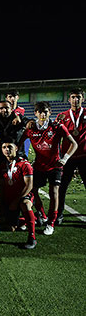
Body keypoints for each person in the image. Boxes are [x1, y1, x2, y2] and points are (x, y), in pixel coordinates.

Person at [21, 101, 78, 235]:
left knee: (54, 193)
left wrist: (64, 159)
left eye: (45, 111)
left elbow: (73, 144)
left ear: (50, 113)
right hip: (39, 166)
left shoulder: (57, 127)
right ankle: (42, 214)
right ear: (35, 113)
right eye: (40, 112)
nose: (43, 114)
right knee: (32, 190)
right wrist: (22, 158)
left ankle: (51, 223)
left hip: (55, 166)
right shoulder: (30, 128)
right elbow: (19, 142)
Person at [0, 138, 36, 249]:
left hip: (23, 195)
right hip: (9, 198)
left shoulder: (24, 164)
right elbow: (2, 185)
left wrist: (16, 200)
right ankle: (29, 219)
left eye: (10, 147)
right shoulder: (2, 165)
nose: (7, 150)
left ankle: (32, 237)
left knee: (24, 204)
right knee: (10, 227)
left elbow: (29, 186)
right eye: (4, 147)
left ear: (16, 148)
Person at [56, 88, 86, 225]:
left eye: (78, 97)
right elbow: (55, 136)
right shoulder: (62, 115)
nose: (76, 99)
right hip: (68, 157)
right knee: (62, 187)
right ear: (69, 100)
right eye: (73, 97)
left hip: (85, 156)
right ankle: (59, 214)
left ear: (83, 99)